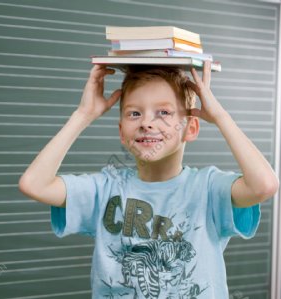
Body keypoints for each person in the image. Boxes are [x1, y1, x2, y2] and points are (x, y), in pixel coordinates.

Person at [18, 61, 279, 298]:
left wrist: (221, 117)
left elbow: (264, 185)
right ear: (121, 132)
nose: (146, 123)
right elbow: (34, 184)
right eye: (134, 113)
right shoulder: (105, 189)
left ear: (190, 127)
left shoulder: (208, 188)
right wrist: (83, 115)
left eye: (164, 113)